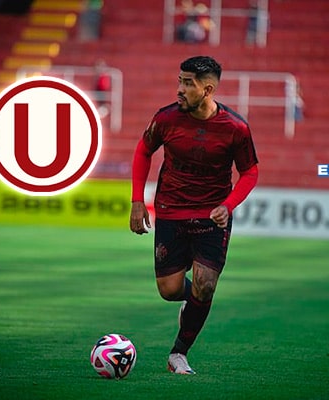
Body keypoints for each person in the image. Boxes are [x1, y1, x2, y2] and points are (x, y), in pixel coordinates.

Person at [129, 56, 259, 375]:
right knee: (169, 290)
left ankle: (178, 353)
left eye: (188, 83)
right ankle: (194, 303)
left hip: (211, 216)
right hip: (171, 209)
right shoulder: (166, 118)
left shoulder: (235, 128)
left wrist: (228, 205)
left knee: (206, 284)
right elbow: (143, 150)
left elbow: (250, 172)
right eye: (180, 81)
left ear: (207, 90)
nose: (180, 89)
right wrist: (136, 201)